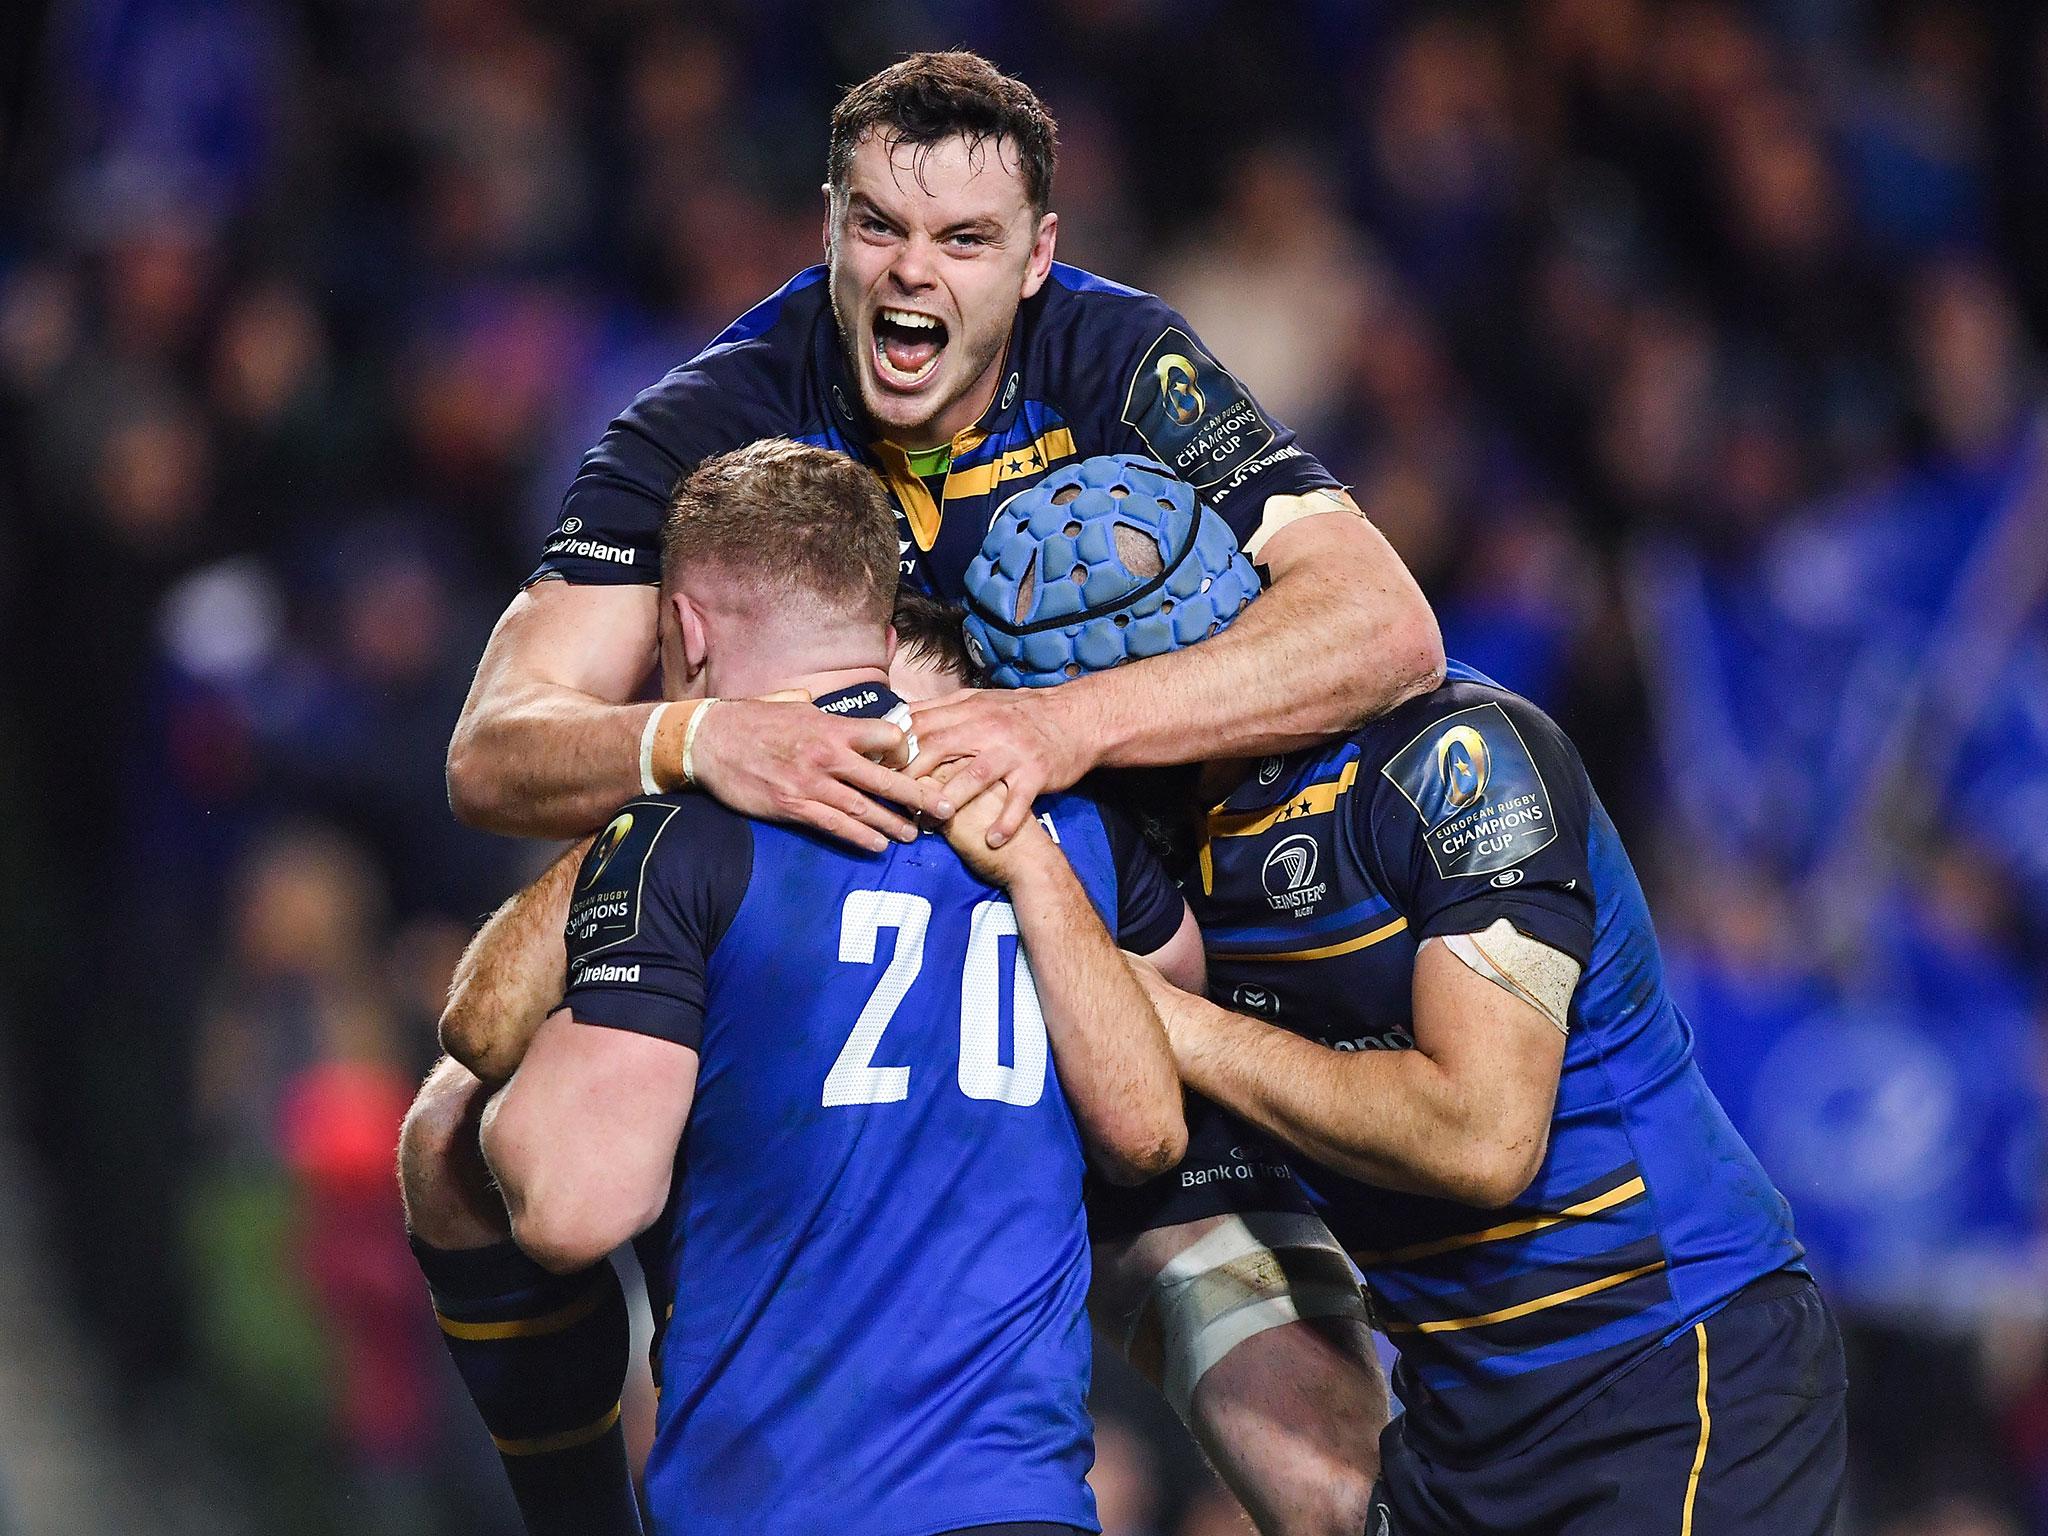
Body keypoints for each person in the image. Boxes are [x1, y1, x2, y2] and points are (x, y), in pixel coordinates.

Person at [430, 47, 1417, 1535]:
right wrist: (700, 742)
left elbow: (1386, 627)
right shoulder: (716, 421)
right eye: (880, 225)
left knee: (1331, 1483)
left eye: (963, 239)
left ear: (1037, 261)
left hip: (1128, 966)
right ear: (827, 226)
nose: (913, 273)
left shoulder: (1117, 363)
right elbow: (495, 739)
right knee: (445, 1140)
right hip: (834, 955)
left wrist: (1062, 731)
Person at [962, 454, 1849, 1536]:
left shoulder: (1458, 759)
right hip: (1451, 1420)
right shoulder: (1149, 844)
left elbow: (1481, 1138)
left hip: (1671, 1367)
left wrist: (1159, 1019)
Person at [403, 438, 1202, 1536]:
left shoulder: (678, 840)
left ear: (683, 631)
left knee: (449, 1121)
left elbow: (576, 1203)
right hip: (1025, 1507)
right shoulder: (1073, 836)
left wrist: (659, 774)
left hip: (782, 1508)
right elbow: (1162, 1076)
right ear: (880, 637)